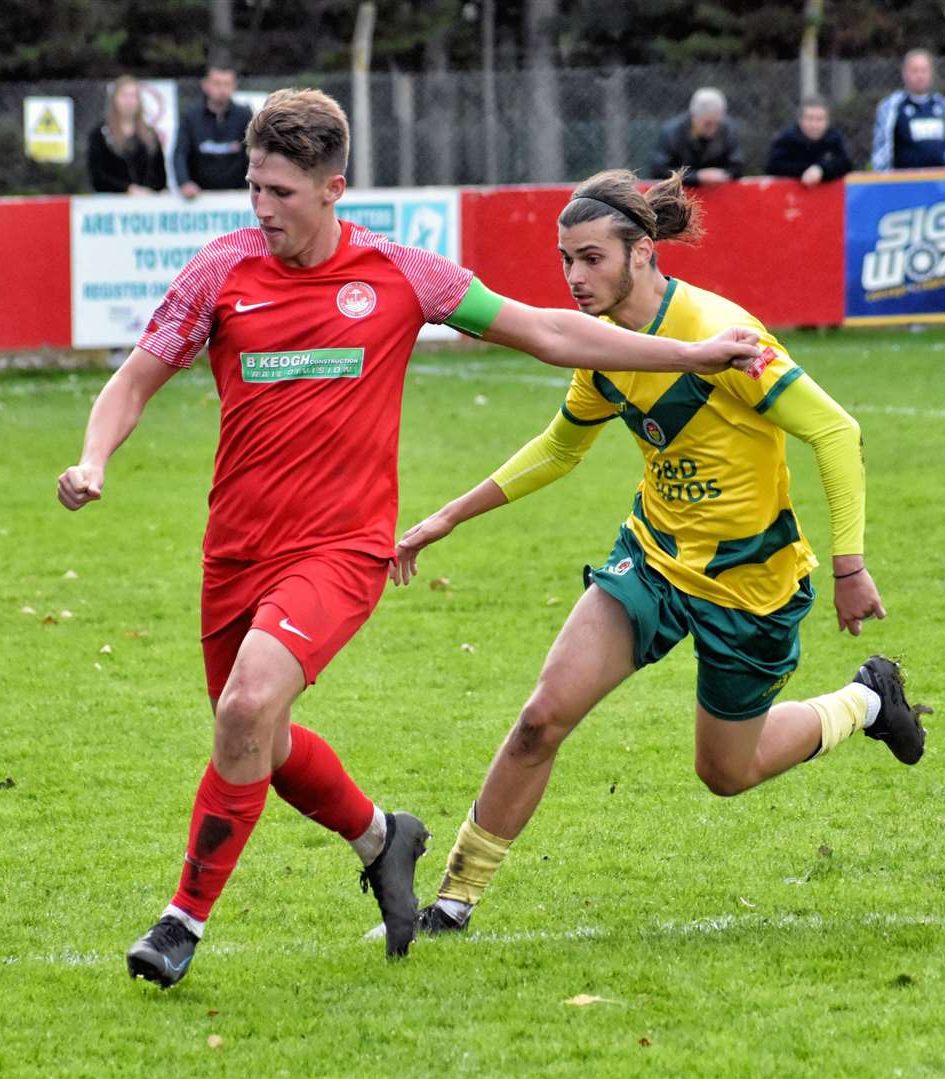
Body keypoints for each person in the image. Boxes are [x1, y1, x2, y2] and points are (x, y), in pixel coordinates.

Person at [56, 92, 763, 990]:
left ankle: (179, 923)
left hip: (341, 550)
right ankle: (384, 838)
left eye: (278, 190)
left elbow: (546, 331)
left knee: (244, 712)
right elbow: (134, 382)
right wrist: (93, 459)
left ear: (332, 188)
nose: (260, 206)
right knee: (258, 747)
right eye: (253, 186)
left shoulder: (401, 272)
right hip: (235, 551)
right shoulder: (220, 271)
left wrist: (690, 354)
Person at [391, 168, 932, 938]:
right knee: (543, 718)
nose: (575, 278)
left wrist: (850, 568)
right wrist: (446, 517)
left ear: (642, 252)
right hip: (651, 560)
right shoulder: (603, 349)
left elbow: (836, 431)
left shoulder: (725, 335)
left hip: (750, 581)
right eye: (565, 260)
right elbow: (559, 448)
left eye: (591, 259)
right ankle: (453, 901)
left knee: (726, 773)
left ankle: (867, 701)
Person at [872, 49, 945, 171]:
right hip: (905, 183)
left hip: (938, 181)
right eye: (915, 71)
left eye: (924, 71)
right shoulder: (891, 106)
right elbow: (882, 149)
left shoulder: (943, 105)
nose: (920, 75)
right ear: (905, 73)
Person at [173, 66, 253, 198]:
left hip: (238, 196)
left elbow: (253, 154)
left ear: (234, 86)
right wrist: (184, 183)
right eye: (217, 84)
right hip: (199, 197)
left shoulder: (244, 116)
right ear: (205, 85)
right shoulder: (191, 117)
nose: (222, 89)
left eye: (227, 84)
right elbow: (180, 153)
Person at [87, 75, 168, 195]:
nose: (129, 101)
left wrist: (148, 192)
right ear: (114, 99)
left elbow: (160, 176)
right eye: (124, 96)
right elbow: (97, 176)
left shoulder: (150, 135)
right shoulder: (101, 134)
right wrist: (127, 189)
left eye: (133, 96)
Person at [650, 87, 744, 187]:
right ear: (694, 116)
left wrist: (722, 175)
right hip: (679, 195)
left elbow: (737, 166)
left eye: (717, 122)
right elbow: (659, 170)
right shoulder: (671, 132)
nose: (713, 128)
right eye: (708, 123)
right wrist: (696, 177)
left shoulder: (727, 129)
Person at [765, 98, 853, 186]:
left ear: (827, 122)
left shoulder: (833, 138)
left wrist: (821, 170)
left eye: (820, 119)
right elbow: (773, 167)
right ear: (800, 120)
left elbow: (845, 164)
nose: (814, 125)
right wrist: (806, 171)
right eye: (809, 118)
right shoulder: (786, 140)